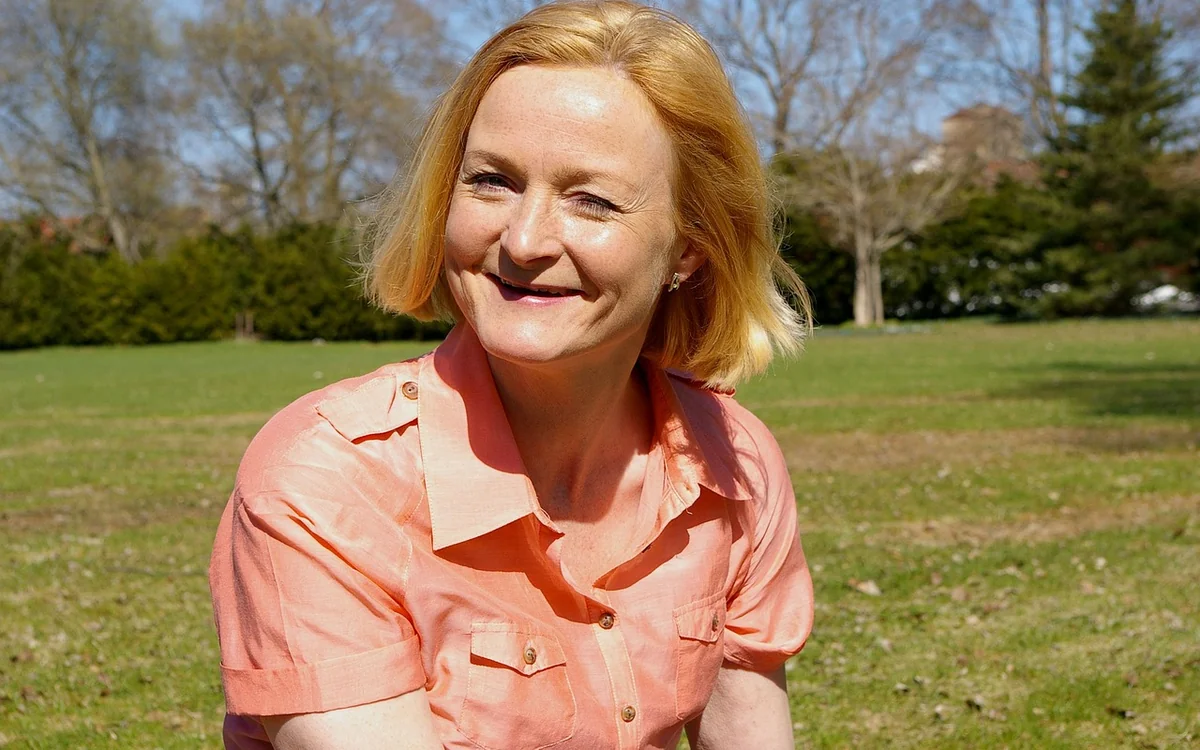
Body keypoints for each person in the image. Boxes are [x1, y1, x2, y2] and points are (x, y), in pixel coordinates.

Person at [208, 2, 815, 748]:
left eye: (592, 201)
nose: (524, 241)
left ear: (689, 247)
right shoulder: (326, 482)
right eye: (492, 181)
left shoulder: (734, 464)